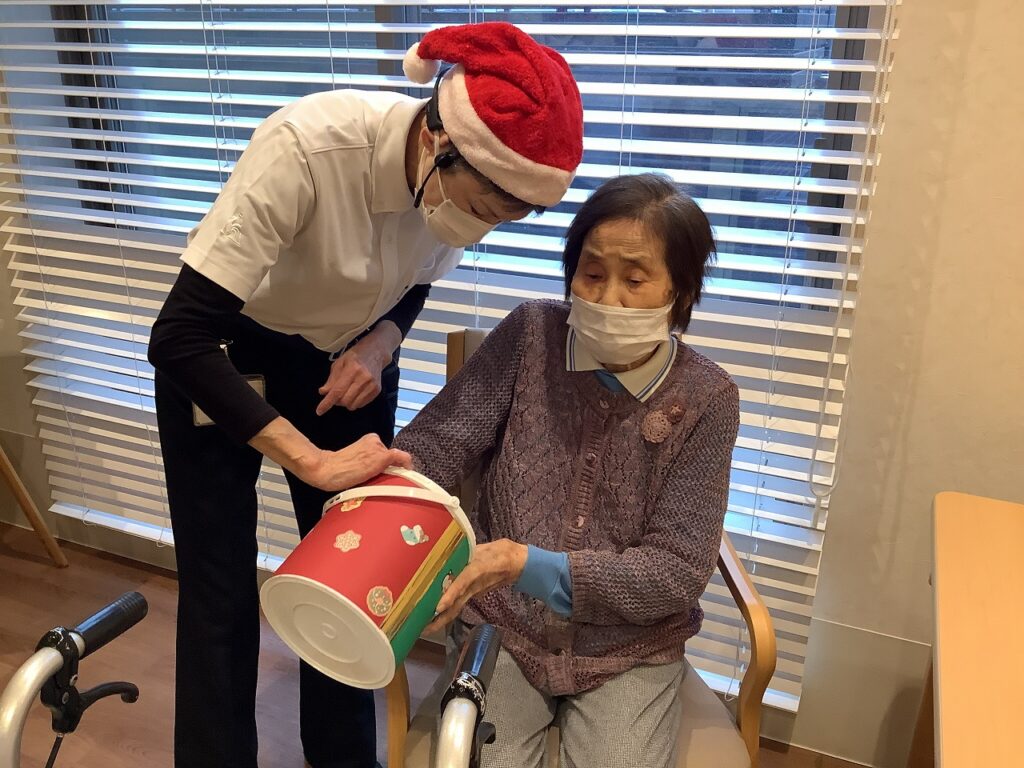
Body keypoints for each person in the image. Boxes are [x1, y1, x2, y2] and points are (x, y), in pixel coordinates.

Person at [146, 22, 583, 768]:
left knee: (357, 579)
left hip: (346, 361)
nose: (480, 232)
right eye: (482, 208)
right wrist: (312, 462)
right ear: (438, 140)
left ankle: (344, 757)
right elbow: (178, 336)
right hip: (224, 354)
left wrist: (381, 343)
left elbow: (414, 282)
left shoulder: (457, 191)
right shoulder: (308, 149)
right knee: (220, 581)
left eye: (505, 220)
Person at [393, 174, 740, 768]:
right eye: (592, 273)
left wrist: (524, 564)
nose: (608, 299)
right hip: (505, 625)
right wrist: (388, 487)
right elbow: (439, 443)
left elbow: (676, 572)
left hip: (628, 647)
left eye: (635, 280)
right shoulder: (531, 336)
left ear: (680, 291)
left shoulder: (708, 398)